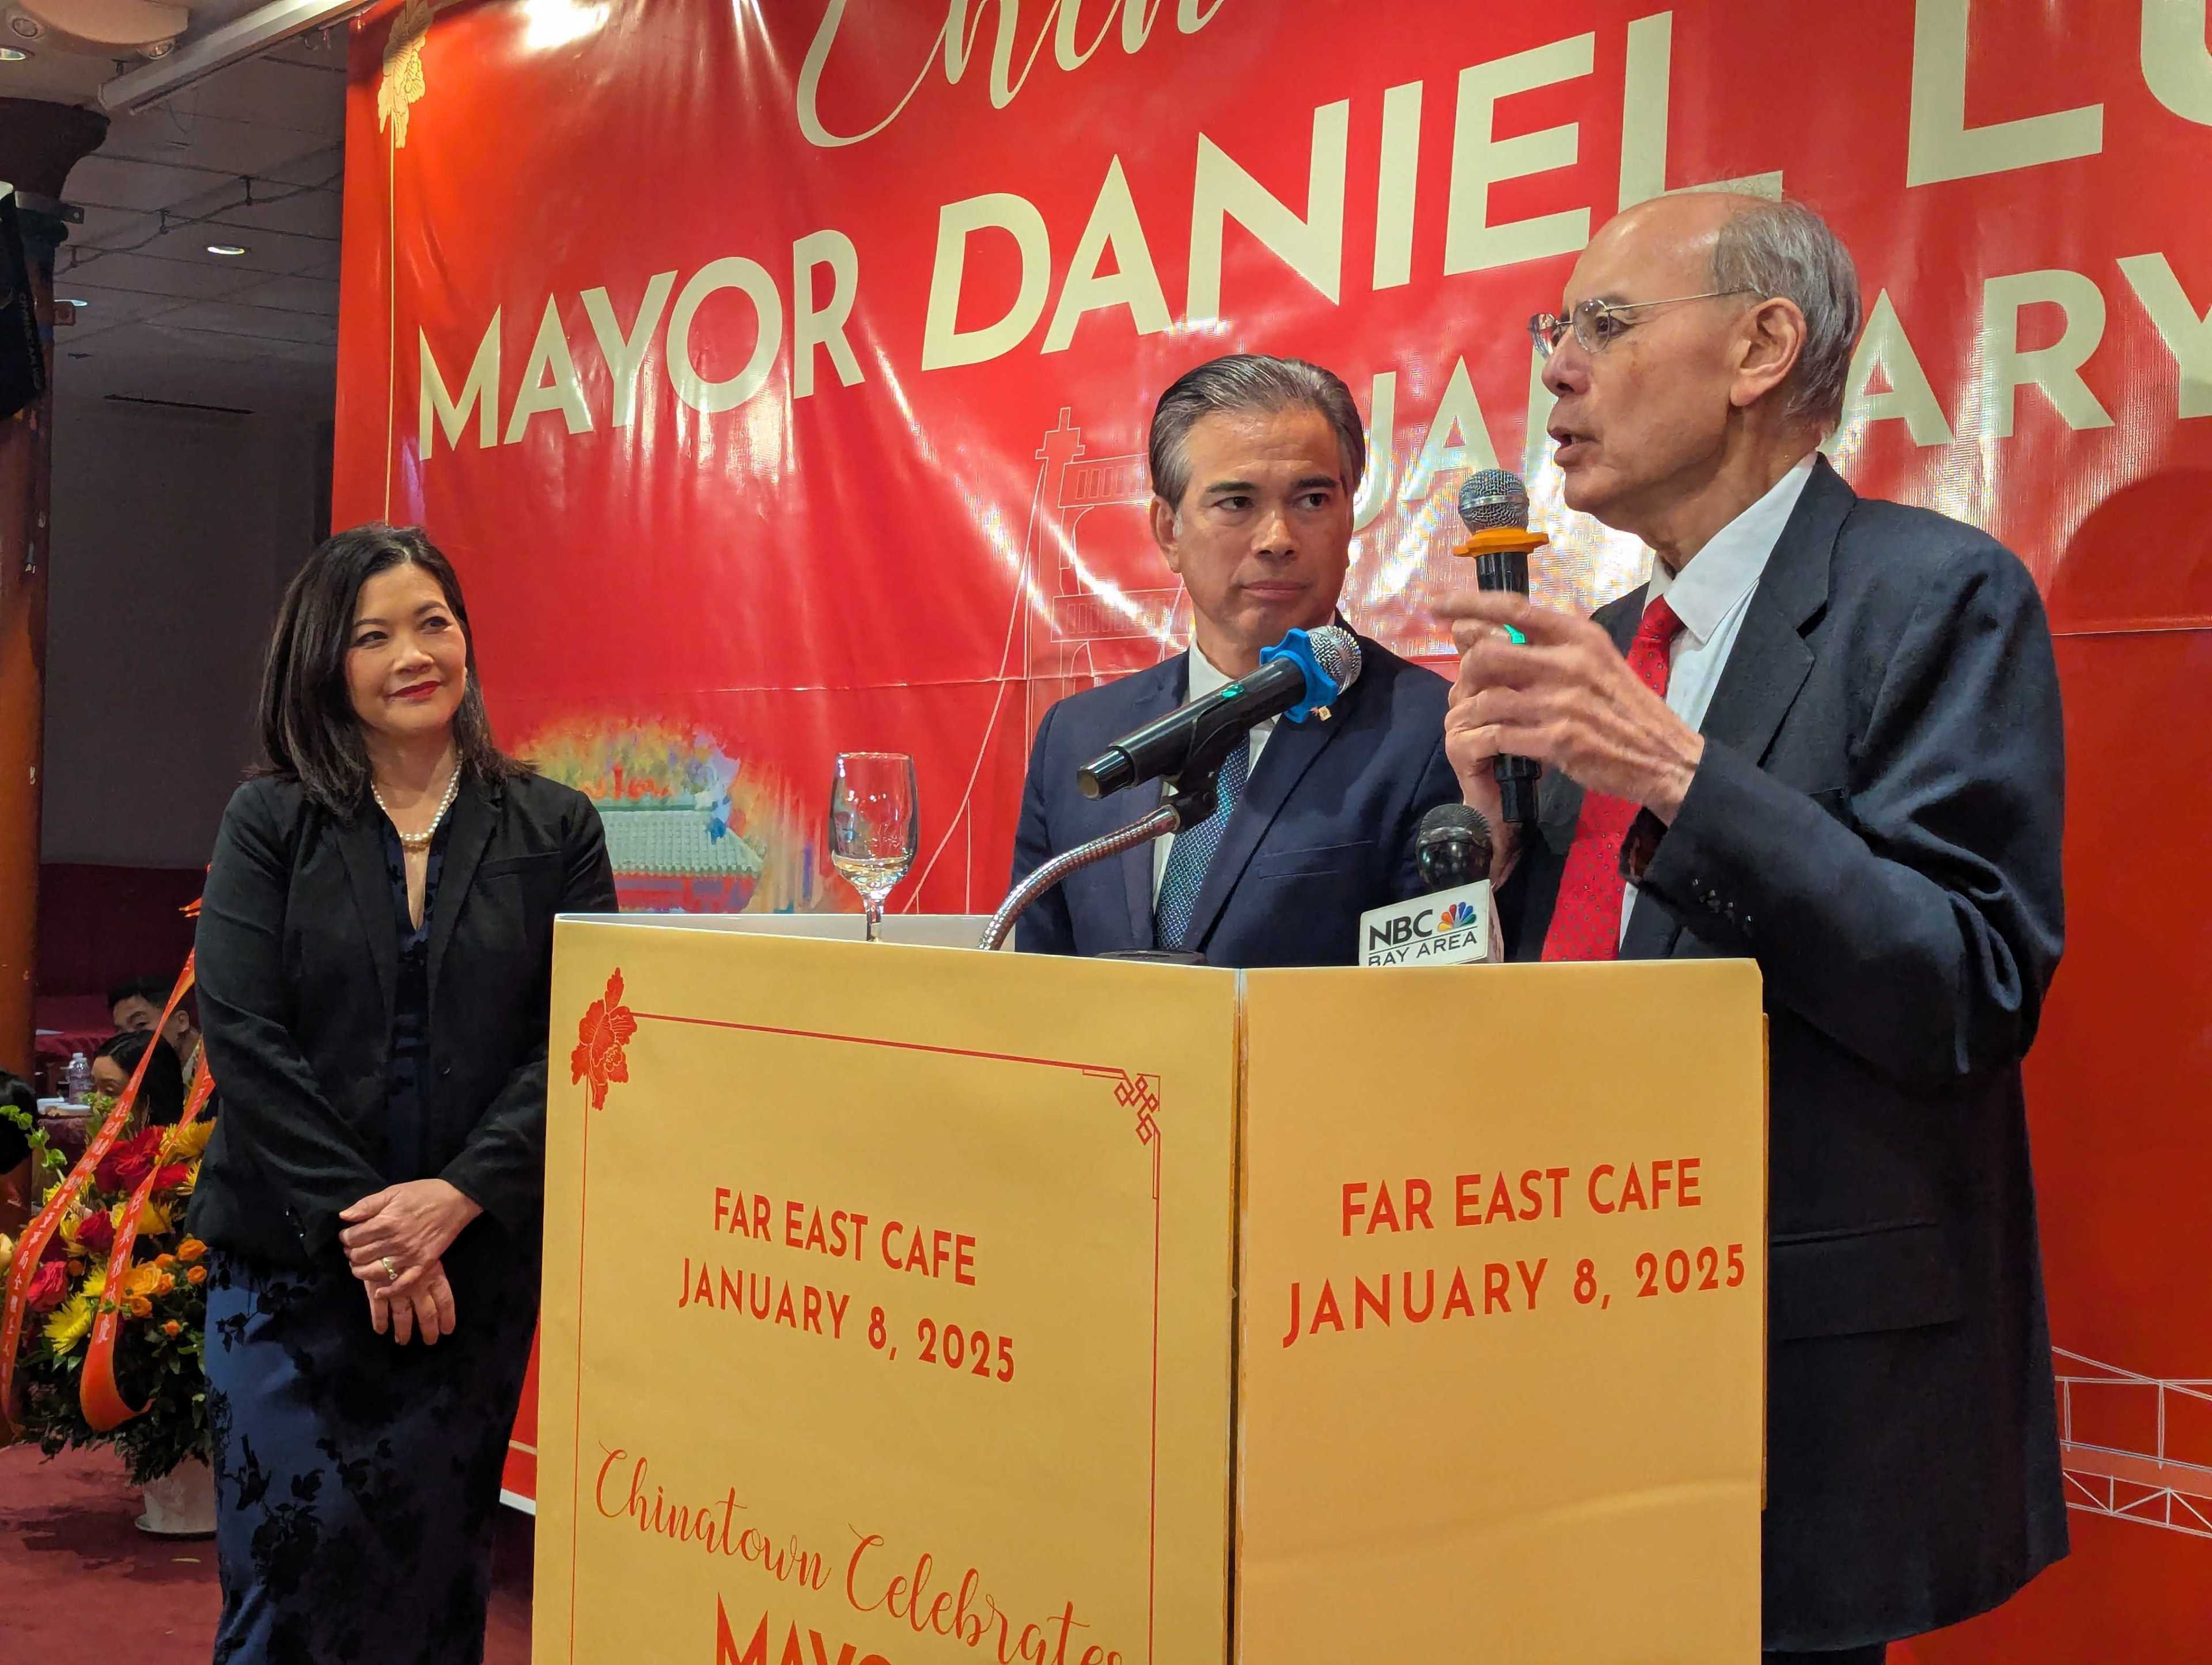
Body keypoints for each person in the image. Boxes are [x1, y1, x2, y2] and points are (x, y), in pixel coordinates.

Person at [1438, 195, 2066, 1662]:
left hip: (1784, 1389)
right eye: (1550, 333)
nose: (1555, 374)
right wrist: (1486, 840)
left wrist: (1672, 772)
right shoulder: (1594, 649)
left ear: (1758, 349)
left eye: (1598, 325)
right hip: (1543, 1337)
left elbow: (1965, 984)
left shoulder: (1933, 599)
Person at [191, 524, 617, 1664]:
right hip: (287, 1270)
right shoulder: (270, 821)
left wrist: (453, 1201)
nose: (413, 653)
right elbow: (243, 1032)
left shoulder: (556, 826)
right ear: (326, 660)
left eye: (433, 621)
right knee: (290, 1587)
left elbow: (578, 1036)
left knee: (433, 1585)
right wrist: (376, 1228)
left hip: (466, 1279)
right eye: (374, 634)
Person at [1012, 354, 1459, 966]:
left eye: (1311, 499)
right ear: (1168, 530)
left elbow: (1433, 1003)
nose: (1278, 537)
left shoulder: (1427, 731)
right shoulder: (1080, 736)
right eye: (1237, 503)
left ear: (1350, 516)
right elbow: (1041, 986)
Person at [109, 974, 203, 1081]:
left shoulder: (219, 1069)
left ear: (181, 1022)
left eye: (140, 1024)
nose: (129, 1042)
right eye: (121, 1033)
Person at [90, 1030, 187, 1127]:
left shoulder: (177, 1141)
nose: (95, 1105)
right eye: (93, 1089)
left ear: (149, 1103)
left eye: (110, 1092)